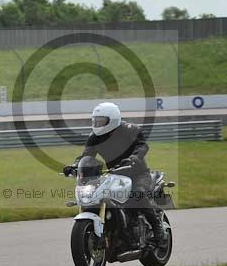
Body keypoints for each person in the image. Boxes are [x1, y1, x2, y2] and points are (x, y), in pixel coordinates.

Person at [62, 102, 167, 245]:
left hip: (138, 174)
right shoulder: (94, 137)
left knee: (137, 194)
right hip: (114, 174)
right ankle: (116, 230)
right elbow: (87, 155)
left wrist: (135, 157)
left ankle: (157, 227)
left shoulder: (129, 130)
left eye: (101, 121)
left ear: (113, 119)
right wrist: (75, 166)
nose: (97, 124)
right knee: (99, 196)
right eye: (95, 121)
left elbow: (142, 145)